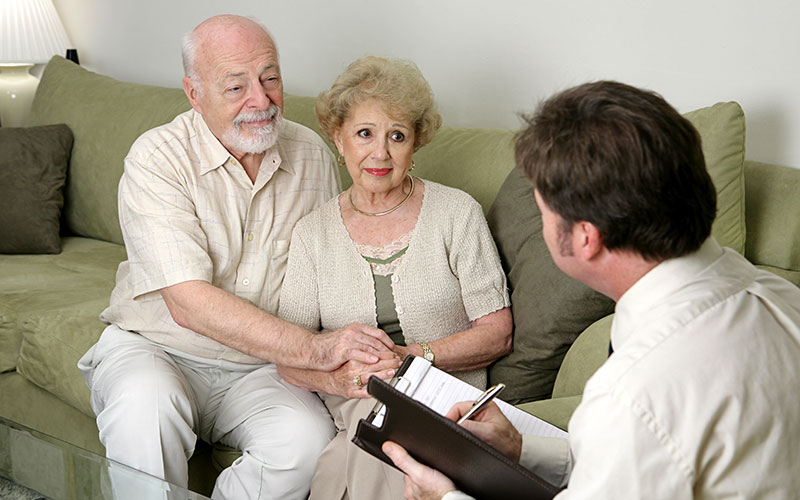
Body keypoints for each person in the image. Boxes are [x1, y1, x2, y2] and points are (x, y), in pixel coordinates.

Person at [382, 80, 800, 499]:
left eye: (541, 210)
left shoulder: (634, 393)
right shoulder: (780, 297)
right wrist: (522, 449)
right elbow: (648, 462)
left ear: (585, 237)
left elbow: (644, 431)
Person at [77, 15, 398, 500]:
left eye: (270, 78)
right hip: (156, 347)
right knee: (144, 408)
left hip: (260, 366)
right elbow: (188, 302)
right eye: (235, 87)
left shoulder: (310, 154)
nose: (261, 100)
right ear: (193, 92)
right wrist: (317, 350)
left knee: (305, 444)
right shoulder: (157, 158)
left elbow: (325, 277)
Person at [276, 56, 513, 500]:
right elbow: (290, 354)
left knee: (369, 450)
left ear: (415, 144)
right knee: (381, 435)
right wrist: (345, 380)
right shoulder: (313, 233)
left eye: (397, 136)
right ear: (338, 138)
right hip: (354, 399)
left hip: (443, 397)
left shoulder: (457, 214)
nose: (380, 153)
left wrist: (411, 358)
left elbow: (497, 334)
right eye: (365, 133)